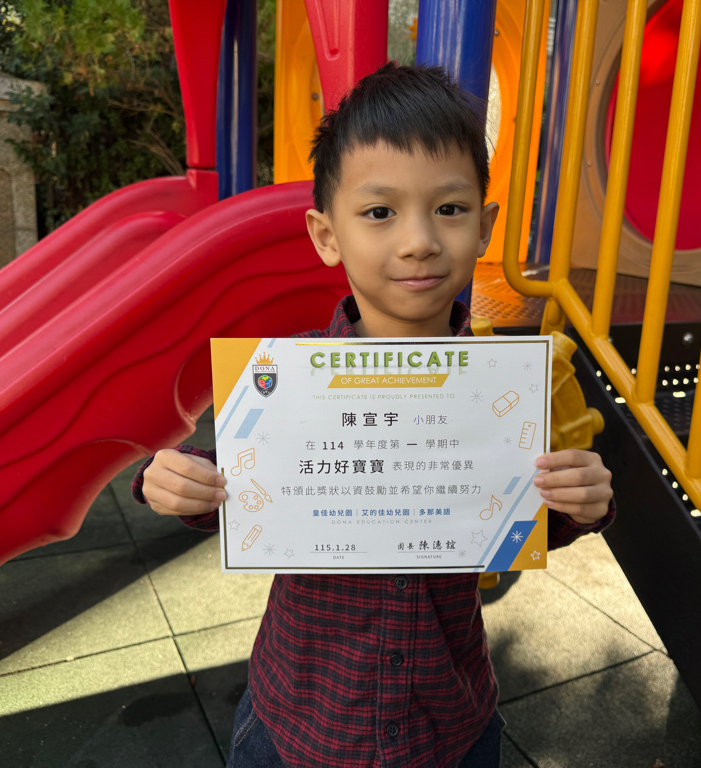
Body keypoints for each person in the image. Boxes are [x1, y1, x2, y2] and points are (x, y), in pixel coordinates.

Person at [133, 62, 614, 768]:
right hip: (296, 722)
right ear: (327, 235)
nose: (418, 240)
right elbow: (239, 484)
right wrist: (179, 480)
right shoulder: (286, 378)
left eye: (449, 209)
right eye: (380, 212)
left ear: (485, 226)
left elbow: (523, 517)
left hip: (447, 726)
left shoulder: (501, 394)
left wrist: (579, 503)